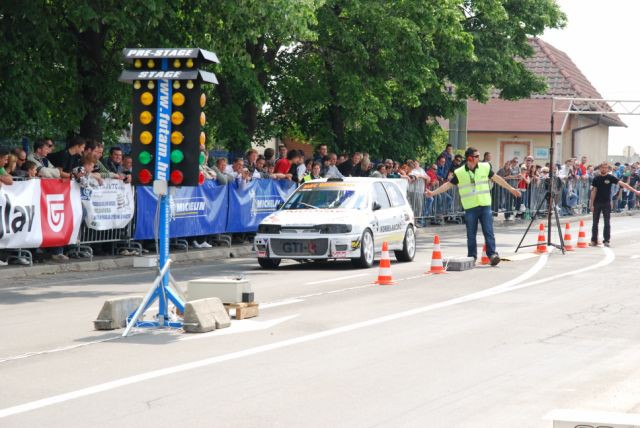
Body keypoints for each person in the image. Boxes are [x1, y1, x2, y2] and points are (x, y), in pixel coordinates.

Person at [426, 147, 521, 265]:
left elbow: (497, 179)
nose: (479, 158)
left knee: (488, 231)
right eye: (476, 156)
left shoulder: (485, 167)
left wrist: (511, 189)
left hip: (484, 205)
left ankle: (492, 255)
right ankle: (472, 257)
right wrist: (432, 193)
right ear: (470, 158)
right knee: (471, 234)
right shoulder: (460, 172)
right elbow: (447, 185)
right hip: (470, 208)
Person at [589, 162, 640, 247]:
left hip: (606, 203)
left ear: (608, 169)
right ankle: (594, 240)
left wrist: (635, 191)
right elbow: (593, 191)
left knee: (607, 222)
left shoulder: (610, 177)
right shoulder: (596, 178)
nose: (603, 169)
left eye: (605, 168)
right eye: (602, 168)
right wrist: (591, 204)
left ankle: (606, 240)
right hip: (597, 203)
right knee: (595, 222)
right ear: (599, 168)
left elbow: (623, 184)